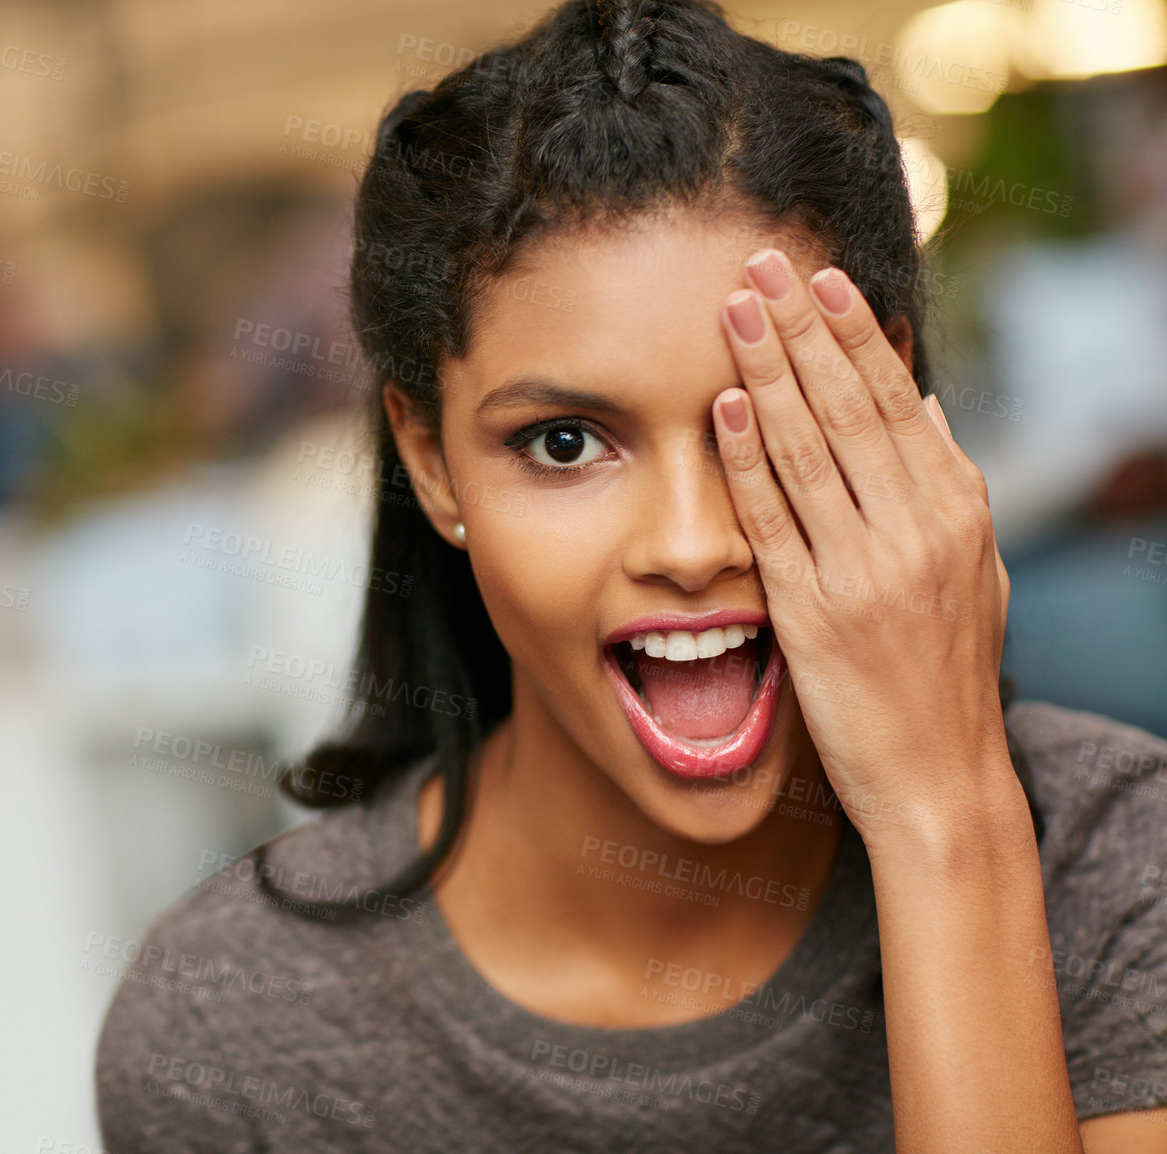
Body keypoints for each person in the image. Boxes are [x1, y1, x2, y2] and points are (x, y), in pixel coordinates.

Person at [93, 1, 1167, 1149]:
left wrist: (944, 818)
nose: (691, 542)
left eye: (757, 421)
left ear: (883, 403)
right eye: (563, 442)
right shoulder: (232, 1029)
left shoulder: (1116, 869)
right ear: (430, 462)